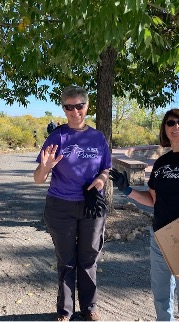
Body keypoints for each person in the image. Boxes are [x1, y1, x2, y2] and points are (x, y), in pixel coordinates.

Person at [109, 108, 179, 321]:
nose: (176, 126)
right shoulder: (161, 163)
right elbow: (152, 200)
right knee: (161, 296)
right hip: (159, 237)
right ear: (164, 130)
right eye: (170, 123)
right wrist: (128, 190)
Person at [34, 85, 112, 321]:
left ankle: (89, 308)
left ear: (87, 107)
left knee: (88, 259)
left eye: (79, 105)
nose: (75, 111)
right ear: (64, 109)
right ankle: (65, 311)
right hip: (61, 206)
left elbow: (106, 168)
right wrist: (46, 167)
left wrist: (101, 178)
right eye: (69, 107)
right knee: (66, 261)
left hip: (91, 206)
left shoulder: (97, 137)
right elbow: (39, 179)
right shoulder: (57, 136)